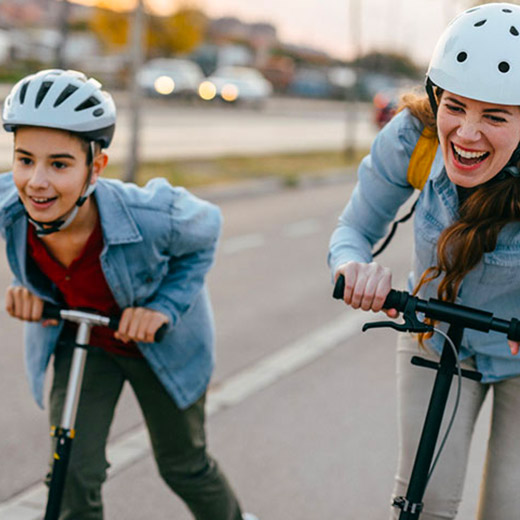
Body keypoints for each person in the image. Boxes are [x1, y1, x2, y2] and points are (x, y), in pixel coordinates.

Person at [0, 69, 257, 520]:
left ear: (95, 168)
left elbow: (208, 231)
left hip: (159, 348)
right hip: (84, 344)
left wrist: (162, 308)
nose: (36, 182)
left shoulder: (152, 213)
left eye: (59, 164)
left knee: (183, 466)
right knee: (71, 474)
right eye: (24, 160)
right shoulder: (11, 203)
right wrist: (27, 292)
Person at [328, 3, 520, 519]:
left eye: (495, 116)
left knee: (509, 508)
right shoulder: (415, 138)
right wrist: (353, 267)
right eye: (455, 105)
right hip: (435, 335)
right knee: (424, 504)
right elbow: (353, 231)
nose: (467, 133)